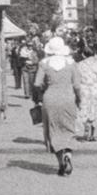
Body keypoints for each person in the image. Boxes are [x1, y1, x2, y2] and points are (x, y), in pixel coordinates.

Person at [34, 36, 82, 176]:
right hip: (68, 98)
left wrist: (42, 91)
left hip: (50, 99)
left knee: (53, 131)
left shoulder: (44, 63)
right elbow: (77, 86)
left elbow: (37, 84)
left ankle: (61, 163)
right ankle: (68, 155)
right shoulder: (71, 63)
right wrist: (79, 99)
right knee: (68, 129)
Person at [76, 44, 97, 142]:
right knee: (94, 110)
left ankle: (86, 131)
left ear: (83, 55)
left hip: (84, 89)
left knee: (84, 109)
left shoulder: (79, 65)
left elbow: (76, 80)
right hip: (95, 89)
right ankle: (92, 134)